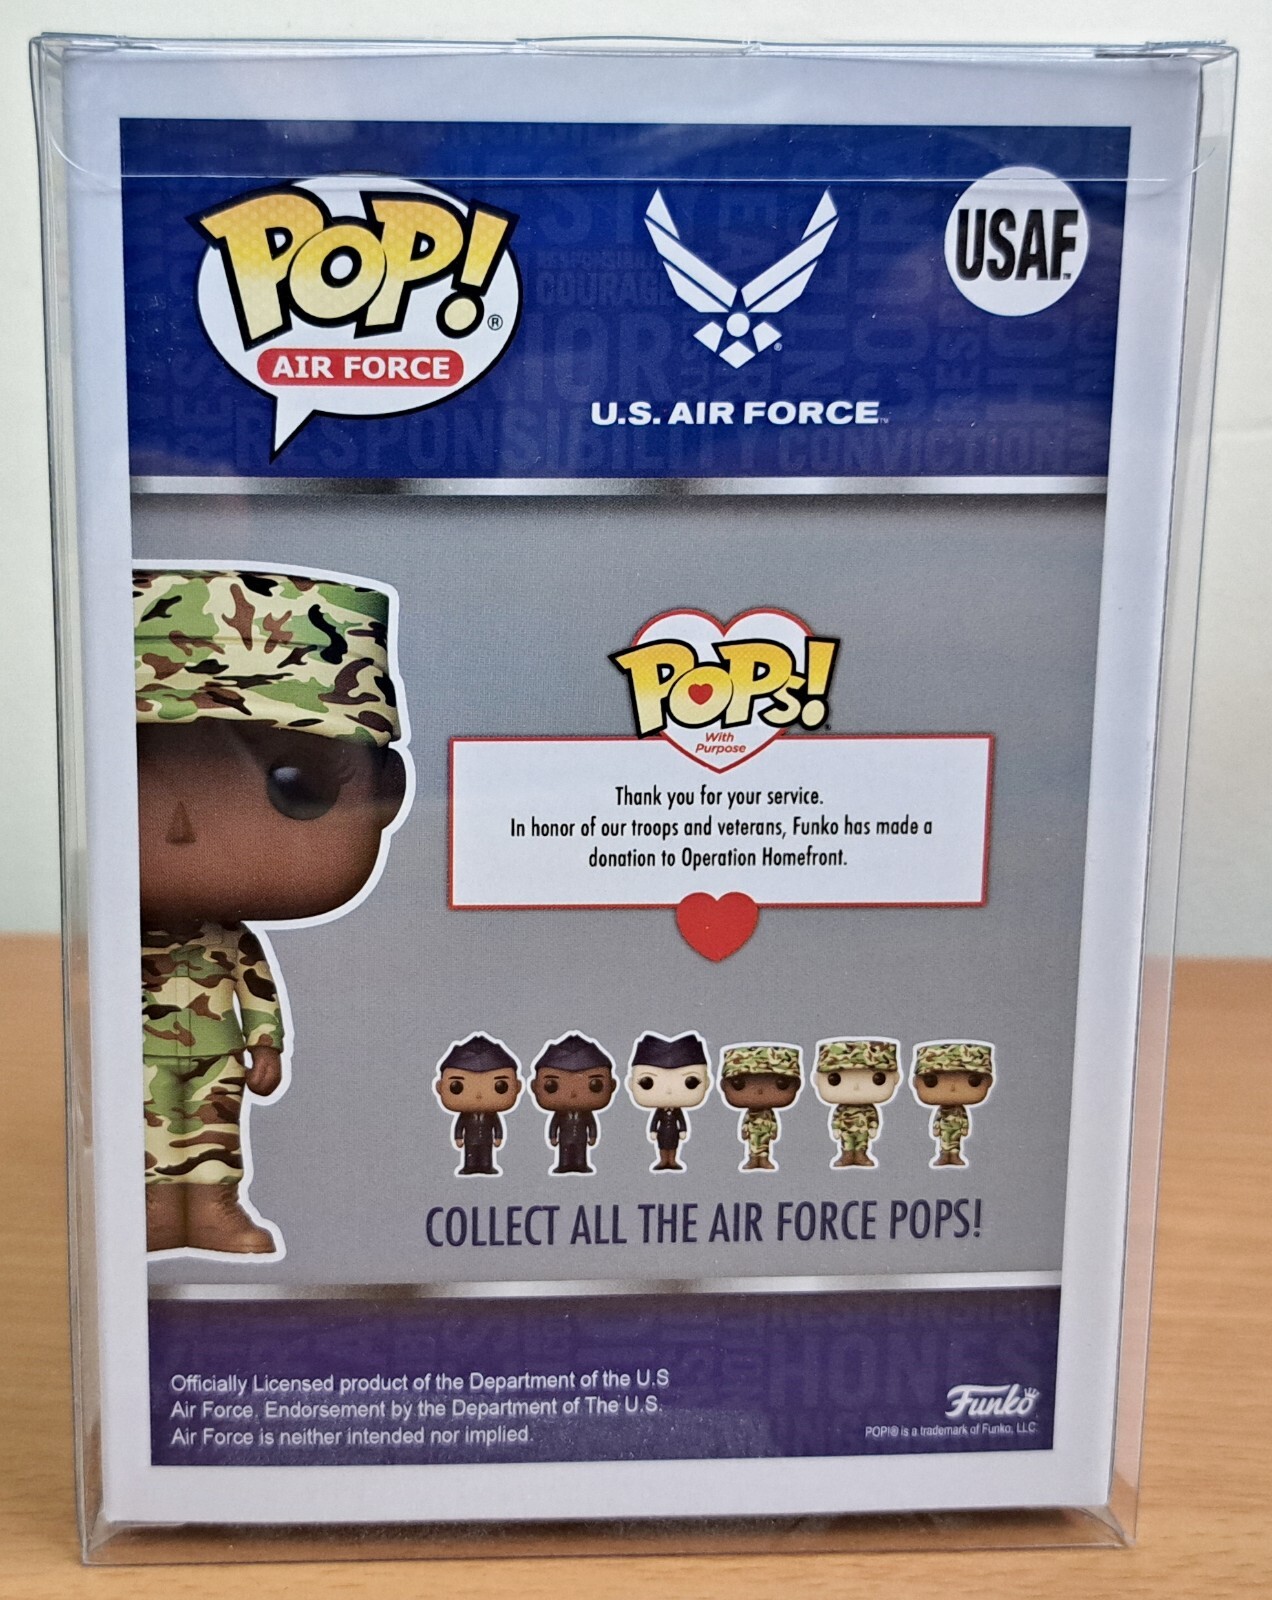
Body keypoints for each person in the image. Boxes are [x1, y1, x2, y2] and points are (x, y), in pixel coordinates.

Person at [136, 567, 409, 1253]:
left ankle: (215, 1208)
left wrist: (266, 1044)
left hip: (217, 1048)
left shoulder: (232, 939)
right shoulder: (114, 940)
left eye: (297, 786)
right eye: (133, 777)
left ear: (389, 793)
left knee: (214, 1127)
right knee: (149, 1128)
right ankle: (157, 1209)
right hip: (139, 1048)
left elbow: (254, 986)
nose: (183, 828)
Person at [434, 1034, 522, 1175]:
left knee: (486, 1154)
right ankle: (469, 1167)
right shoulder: (465, 1115)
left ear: (517, 1087)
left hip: (486, 1140)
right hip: (470, 1140)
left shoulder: (492, 1115)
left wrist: (498, 1137)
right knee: (470, 1154)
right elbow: (459, 1126)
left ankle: (487, 1166)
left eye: (500, 1086)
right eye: (457, 1086)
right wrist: (458, 1137)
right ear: (440, 1087)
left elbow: (497, 1125)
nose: (479, 1095)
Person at [530, 1034, 617, 1174]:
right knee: (564, 1152)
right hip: (564, 1138)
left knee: (581, 1152)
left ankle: (581, 1164)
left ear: (612, 1086)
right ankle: (564, 1165)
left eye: (595, 1085)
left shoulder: (586, 1114)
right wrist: (553, 1136)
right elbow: (554, 1124)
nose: (573, 1094)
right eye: (551, 1085)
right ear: (535, 1087)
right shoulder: (559, 1114)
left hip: (581, 1138)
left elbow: (591, 1124)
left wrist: (592, 1136)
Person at [626, 1031, 711, 1171]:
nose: (669, 1090)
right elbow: (655, 1120)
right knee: (662, 1147)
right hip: (662, 1132)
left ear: (707, 1083)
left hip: (673, 1133)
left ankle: (672, 1161)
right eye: (647, 1082)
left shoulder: (677, 1111)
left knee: (673, 1147)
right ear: (631, 1084)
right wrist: (653, 1130)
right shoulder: (659, 1111)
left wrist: (683, 1130)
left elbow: (681, 1120)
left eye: (691, 1082)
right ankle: (663, 1161)